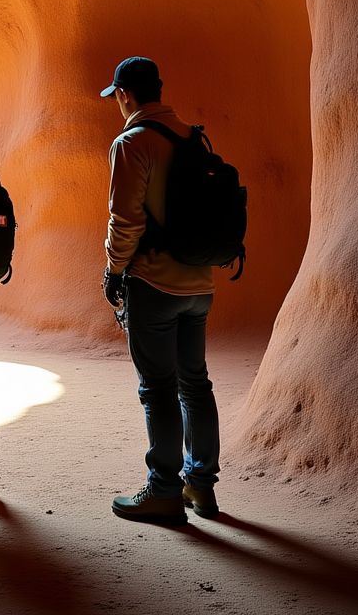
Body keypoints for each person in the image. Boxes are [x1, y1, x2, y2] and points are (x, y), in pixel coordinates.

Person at [101, 57, 221, 523]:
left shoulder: (132, 142)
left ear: (126, 94)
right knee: (196, 383)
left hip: (153, 282)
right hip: (199, 281)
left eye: (117, 98)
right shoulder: (194, 136)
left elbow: (125, 219)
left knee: (157, 388)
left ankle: (164, 491)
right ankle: (202, 486)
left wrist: (113, 270)